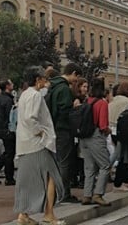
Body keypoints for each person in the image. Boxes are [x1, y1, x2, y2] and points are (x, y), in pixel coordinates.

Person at [14, 66, 66, 225]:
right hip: (38, 144)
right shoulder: (35, 95)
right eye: (44, 77)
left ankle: (24, 214)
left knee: (28, 180)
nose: (46, 80)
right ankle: (49, 214)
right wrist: (41, 133)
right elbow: (31, 119)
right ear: (37, 80)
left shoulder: (24, 95)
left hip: (25, 144)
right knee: (52, 176)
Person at [47, 62, 83, 203]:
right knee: (64, 163)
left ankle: (56, 192)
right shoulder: (64, 89)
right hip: (63, 130)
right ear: (73, 73)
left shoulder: (53, 86)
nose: (76, 81)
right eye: (77, 78)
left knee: (57, 162)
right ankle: (63, 194)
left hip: (54, 128)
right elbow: (65, 112)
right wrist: (74, 108)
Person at [79, 78, 111, 206]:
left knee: (89, 167)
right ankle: (98, 194)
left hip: (84, 137)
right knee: (105, 165)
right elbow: (103, 125)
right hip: (96, 136)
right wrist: (108, 131)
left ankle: (87, 195)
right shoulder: (102, 103)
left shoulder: (87, 101)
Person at [0, 79, 16, 185]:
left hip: (1, 129)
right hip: (7, 129)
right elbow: (10, 116)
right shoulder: (7, 100)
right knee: (10, 153)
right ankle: (8, 177)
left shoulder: (0, 99)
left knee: (8, 152)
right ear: (7, 86)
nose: (13, 84)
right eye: (11, 83)